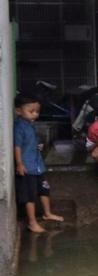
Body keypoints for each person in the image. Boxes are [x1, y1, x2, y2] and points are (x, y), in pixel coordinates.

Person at [13, 94, 64, 233]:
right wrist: (19, 164)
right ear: (18, 111)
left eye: (37, 111)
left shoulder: (30, 125)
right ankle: (32, 222)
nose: (35, 114)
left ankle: (47, 213)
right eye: (31, 111)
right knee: (29, 195)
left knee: (44, 189)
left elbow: (28, 143)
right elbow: (17, 147)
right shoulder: (19, 127)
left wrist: (37, 146)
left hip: (37, 166)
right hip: (27, 167)